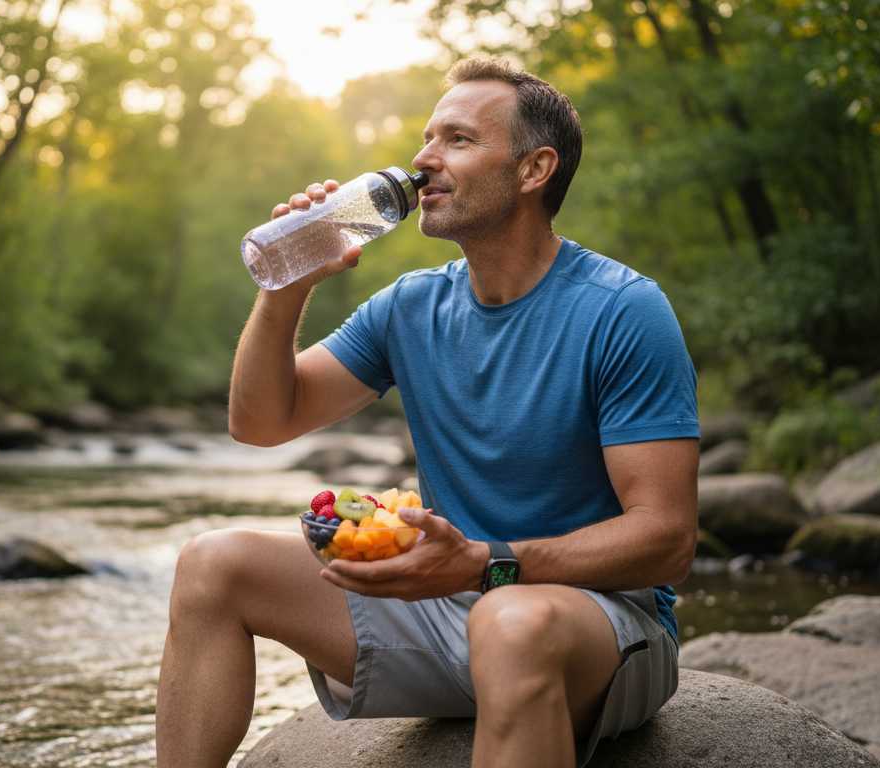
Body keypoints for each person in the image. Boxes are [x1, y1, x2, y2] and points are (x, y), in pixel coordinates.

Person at [155, 57, 699, 768]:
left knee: (510, 621)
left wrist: (485, 565)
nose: (422, 159)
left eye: (458, 140)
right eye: (426, 138)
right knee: (211, 564)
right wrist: (290, 279)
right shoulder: (413, 305)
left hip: (594, 622)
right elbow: (260, 421)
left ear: (535, 170)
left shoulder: (622, 310)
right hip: (448, 605)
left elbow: (667, 540)